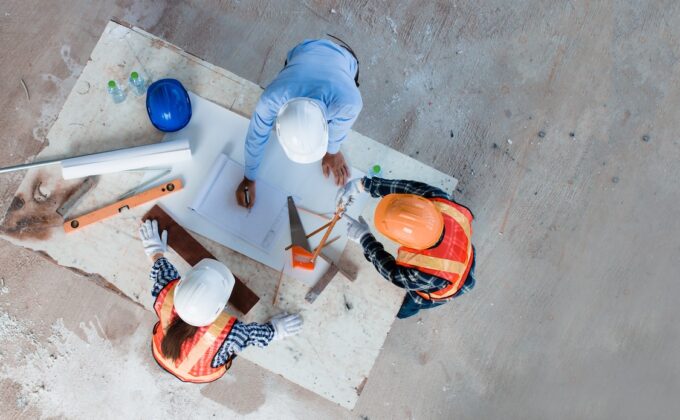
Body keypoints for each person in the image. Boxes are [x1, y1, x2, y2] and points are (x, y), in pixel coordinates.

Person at [138, 219, 303, 383]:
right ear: (220, 309)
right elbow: (251, 336)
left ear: (180, 285)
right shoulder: (228, 334)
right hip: (199, 374)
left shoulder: (165, 294)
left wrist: (154, 250)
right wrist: (276, 330)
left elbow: (161, 271)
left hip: (161, 353)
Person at [236, 38, 363, 209]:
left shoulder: (348, 102)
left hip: (344, 58)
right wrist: (249, 177)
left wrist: (332, 152)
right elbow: (255, 137)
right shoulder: (271, 99)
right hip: (303, 51)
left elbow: (338, 129)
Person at [336, 177, 476, 319]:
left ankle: (402, 313)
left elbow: (391, 272)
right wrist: (363, 185)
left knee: (408, 304)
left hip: (449, 285)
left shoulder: (423, 272)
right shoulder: (438, 200)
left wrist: (365, 239)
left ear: (404, 242)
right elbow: (407, 188)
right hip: (463, 251)